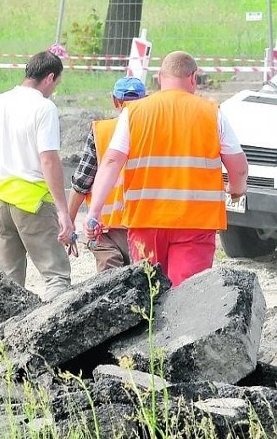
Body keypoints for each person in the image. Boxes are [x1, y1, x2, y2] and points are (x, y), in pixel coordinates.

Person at [84, 51, 248, 287]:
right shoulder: (212, 113)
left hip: (146, 220)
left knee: (150, 292)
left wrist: (94, 213)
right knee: (187, 295)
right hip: (196, 222)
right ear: (193, 77)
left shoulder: (134, 113)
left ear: (160, 77)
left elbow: (111, 162)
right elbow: (239, 168)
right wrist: (235, 190)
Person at [0, 50, 75, 301]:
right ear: (50, 77)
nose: (55, 89)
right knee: (56, 277)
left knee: (7, 285)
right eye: (56, 83)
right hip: (33, 203)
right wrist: (63, 211)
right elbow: (48, 160)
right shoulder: (44, 107)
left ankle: (4, 337)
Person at [68, 76, 146, 272]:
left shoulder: (101, 132)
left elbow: (81, 183)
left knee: (109, 289)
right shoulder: (153, 131)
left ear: (115, 101)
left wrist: (69, 222)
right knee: (147, 286)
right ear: (146, 101)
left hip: (105, 228)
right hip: (143, 226)